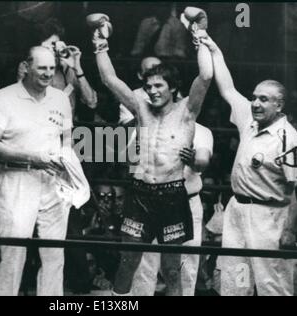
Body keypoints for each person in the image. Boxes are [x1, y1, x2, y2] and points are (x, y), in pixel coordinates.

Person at [89, 11, 213, 295]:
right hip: (141, 193)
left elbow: (206, 75)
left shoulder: (187, 112)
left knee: (172, 268)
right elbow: (109, 79)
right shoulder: (140, 108)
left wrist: (200, 35)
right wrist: (99, 44)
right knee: (128, 262)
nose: (152, 91)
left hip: (172, 195)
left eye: (158, 86)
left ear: (173, 87)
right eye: (148, 87)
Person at [201, 36, 297, 296]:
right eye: (254, 98)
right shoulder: (249, 119)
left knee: (272, 284)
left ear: (279, 105)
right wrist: (212, 46)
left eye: (264, 99)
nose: (256, 103)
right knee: (236, 281)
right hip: (237, 210)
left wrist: (290, 230)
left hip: (268, 218)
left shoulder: (291, 140)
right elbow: (227, 88)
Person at [0, 46, 89, 296]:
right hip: (16, 179)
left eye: (52, 68)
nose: (48, 73)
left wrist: (67, 166)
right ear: (27, 66)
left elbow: (66, 139)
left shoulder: (60, 98)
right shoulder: (3, 97)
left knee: (54, 254)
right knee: (13, 251)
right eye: (42, 67)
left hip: (53, 182)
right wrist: (34, 157)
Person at [132, 123, 213, 296]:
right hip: (148, 202)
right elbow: (130, 165)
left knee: (184, 268)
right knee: (144, 268)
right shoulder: (144, 127)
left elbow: (202, 163)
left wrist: (192, 160)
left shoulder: (200, 131)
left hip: (185, 203)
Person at [18, 18, 98, 118]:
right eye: (51, 45)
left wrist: (77, 69)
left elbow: (91, 102)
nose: (54, 49)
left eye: (56, 45)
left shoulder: (66, 69)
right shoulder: (28, 68)